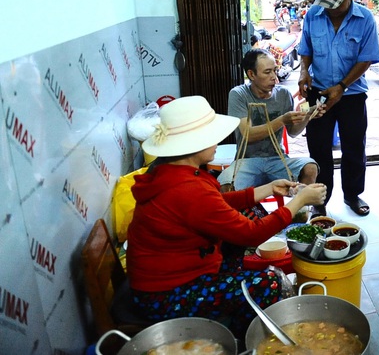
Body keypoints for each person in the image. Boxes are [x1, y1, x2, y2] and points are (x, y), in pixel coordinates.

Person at [126, 96, 327, 338]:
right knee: (270, 283)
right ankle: (242, 337)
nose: (218, 141)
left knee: (248, 213)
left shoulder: (175, 171)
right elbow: (251, 233)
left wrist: (269, 188)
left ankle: (237, 300)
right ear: (194, 143)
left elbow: (217, 203)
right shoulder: (187, 188)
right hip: (165, 294)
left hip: (175, 272)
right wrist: (299, 202)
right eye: (212, 135)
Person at [297, 0, 379, 217]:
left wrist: (342, 86)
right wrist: (304, 72)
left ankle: (352, 194)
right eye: (328, 3)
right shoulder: (313, 14)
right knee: (318, 147)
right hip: (319, 93)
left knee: (354, 146)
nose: (332, 9)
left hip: (352, 94)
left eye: (337, 3)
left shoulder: (365, 19)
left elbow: (366, 59)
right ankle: (320, 200)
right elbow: (306, 48)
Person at [220, 48, 319, 192]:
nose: (274, 77)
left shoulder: (283, 94)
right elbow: (248, 135)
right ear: (251, 74)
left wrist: (307, 116)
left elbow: (292, 132)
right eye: (267, 72)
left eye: (274, 70)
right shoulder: (239, 94)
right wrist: (282, 119)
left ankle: (299, 212)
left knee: (310, 167)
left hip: (277, 160)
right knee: (226, 185)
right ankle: (239, 215)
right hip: (247, 161)